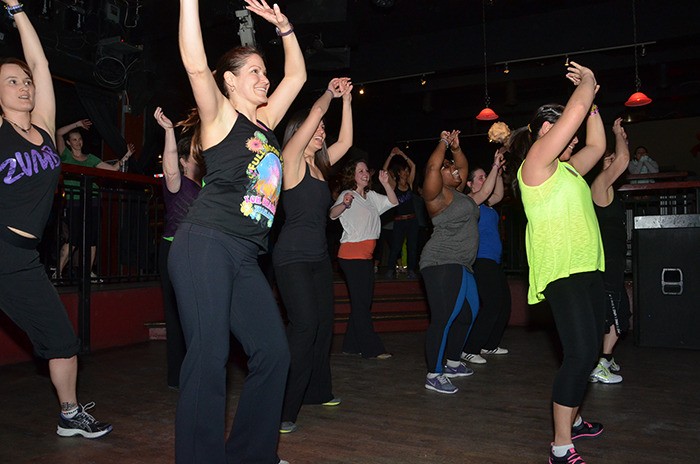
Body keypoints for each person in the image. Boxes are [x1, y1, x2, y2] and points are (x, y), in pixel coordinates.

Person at [168, 0, 305, 462]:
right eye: (254, 72)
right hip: (205, 244)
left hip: (246, 255)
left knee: (274, 353)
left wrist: (285, 28)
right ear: (229, 81)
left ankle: (250, 455)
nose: (265, 79)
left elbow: (299, 78)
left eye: (265, 72)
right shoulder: (220, 117)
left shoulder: (264, 123)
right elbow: (193, 61)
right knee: (208, 359)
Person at [0, 0, 111, 438]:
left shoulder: (45, 129)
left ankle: (70, 414)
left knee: (62, 339)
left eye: (25, 82)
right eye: (11, 82)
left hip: (23, 258)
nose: (24, 86)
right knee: (62, 339)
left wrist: (17, 9)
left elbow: (40, 61)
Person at [511, 62, 606, 464]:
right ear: (542, 132)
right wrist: (586, 85)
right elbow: (573, 115)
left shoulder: (567, 170)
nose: (570, 137)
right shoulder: (534, 166)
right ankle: (560, 446)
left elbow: (598, 148)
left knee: (591, 349)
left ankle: (576, 418)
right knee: (581, 354)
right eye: (561, 130)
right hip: (561, 271)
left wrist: (594, 105)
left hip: (587, 268)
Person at [273, 77, 353, 434]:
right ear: (301, 130)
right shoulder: (289, 160)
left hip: (320, 259)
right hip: (291, 258)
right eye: (317, 127)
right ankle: (282, 407)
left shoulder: (320, 166)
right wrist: (328, 95)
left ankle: (317, 392)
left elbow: (347, 141)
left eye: (323, 128)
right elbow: (317, 110)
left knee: (323, 328)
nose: (322, 130)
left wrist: (347, 100)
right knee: (304, 327)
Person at [420, 131, 503, 394]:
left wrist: (457, 149)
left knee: (468, 314)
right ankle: (434, 372)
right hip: (442, 261)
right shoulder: (437, 196)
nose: (456, 171)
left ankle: (453, 362)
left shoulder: (465, 198)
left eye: (455, 169)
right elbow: (433, 166)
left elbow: (473, 175)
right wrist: (443, 143)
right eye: (450, 169)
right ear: (439, 177)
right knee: (444, 318)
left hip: (463, 264)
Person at [153, 107, 203, 389]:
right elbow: (169, 166)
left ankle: (197, 370)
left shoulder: (207, 185)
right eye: (193, 155)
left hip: (199, 252)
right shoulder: (177, 183)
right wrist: (169, 132)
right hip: (173, 251)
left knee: (197, 312)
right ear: (184, 161)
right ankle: (178, 377)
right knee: (175, 315)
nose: (198, 158)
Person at [330, 159, 397, 359]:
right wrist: (344, 204)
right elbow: (333, 214)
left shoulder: (372, 197)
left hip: (366, 256)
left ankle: (351, 345)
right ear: (353, 175)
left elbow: (394, 202)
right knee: (361, 304)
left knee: (362, 302)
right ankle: (371, 349)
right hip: (351, 255)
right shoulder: (347, 194)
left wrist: (386, 183)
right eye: (360, 170)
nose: (365, 173)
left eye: (366, 170)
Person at [54, 118, 135, 280]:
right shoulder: (66, 155)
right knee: (74, 239)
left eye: (80, 139)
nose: (78, 142)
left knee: (92, 238)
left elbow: (113, 169)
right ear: (69, 143)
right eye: (74, 139)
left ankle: (88, 272)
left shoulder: (90, 158)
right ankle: (57, 273)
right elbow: (58, 133)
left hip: (93, 201)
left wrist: (127, 155)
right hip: (75, 202)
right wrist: (77, 124)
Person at [589, 118, 631, 385]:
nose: (612, 161)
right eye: (607, 160)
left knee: (616, 314)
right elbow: (624, 159)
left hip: (612, 263)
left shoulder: (610, 190)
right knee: (617, 316)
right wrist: (618, 134)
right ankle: (601, 363)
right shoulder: (599, 187)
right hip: (606, 265)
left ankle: (605, 358)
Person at [461, 151, 511, 365]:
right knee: (491, 304)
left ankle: (489, 344)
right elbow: (489, 190)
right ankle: (470, 349)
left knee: (504, 304)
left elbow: (497, 194)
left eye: (484, 176)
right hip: (480, 259)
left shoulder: (488, 204)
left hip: (494, 260)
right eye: (479, 177)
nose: (484, 180)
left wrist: (498, 170)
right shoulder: (470, 201)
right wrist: (493, 166)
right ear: (471, 184)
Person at [382, 147, 419, 279]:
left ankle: (411, 270)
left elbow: (413, 165)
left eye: (407, 171)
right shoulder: (394, 185)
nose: (407, 172)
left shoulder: (410, 183)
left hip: (412, 220)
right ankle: (390, 269)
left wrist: (403, 154)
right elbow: (384, 171)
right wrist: (391, 155)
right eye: (404, 170)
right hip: (399, 220)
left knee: (412, 247)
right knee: (396, 246)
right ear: (399, 173)